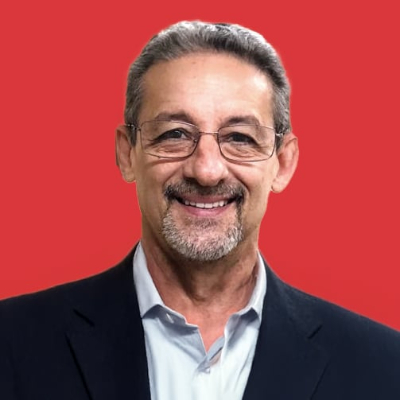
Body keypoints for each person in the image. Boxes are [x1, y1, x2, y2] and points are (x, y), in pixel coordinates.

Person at [0, 20, 399, 400]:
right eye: (175, 134)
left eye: (239, 138)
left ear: (282, 163)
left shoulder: (383, 367)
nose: (206, 170)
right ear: (127, 153)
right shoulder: (11, 344)